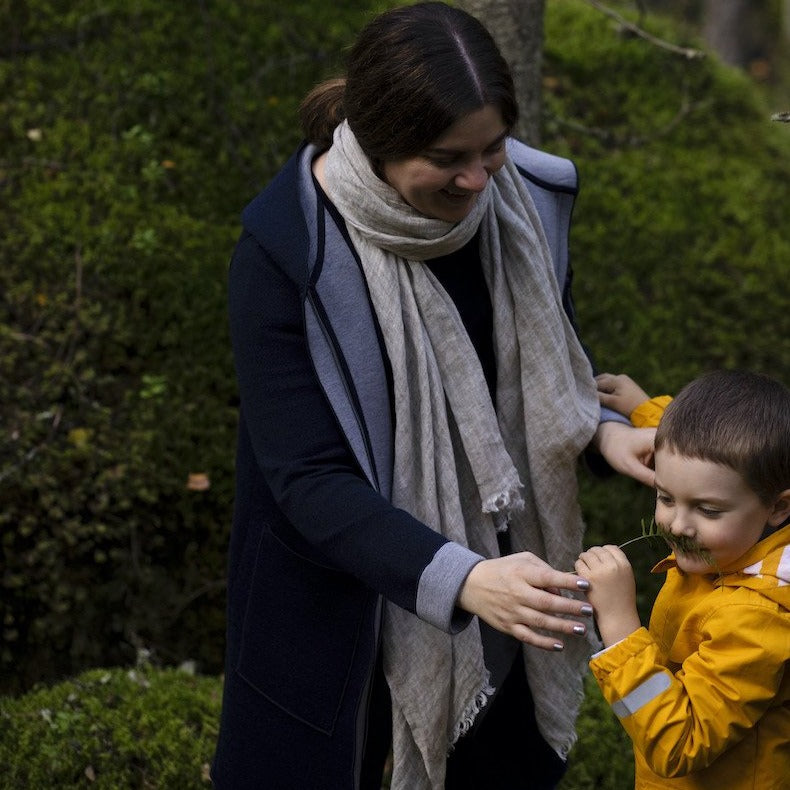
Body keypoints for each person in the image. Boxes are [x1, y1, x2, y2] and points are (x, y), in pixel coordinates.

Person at [212, 4, 656, 788]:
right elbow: (308, 479)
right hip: (338, 614)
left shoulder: (528, 199)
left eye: (493, 150)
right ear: (379, 141)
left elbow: (543, 368)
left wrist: (607, 432)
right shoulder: (287, 253)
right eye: (448, 158)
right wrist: (466, 580)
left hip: (509, 597)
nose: (478, 180)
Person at [576, 369, 790, 789]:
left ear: (778, 508)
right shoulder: (734, 519)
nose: (677, 525)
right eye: (665, 497)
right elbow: (703, 449)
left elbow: (680, 744)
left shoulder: (754, 620)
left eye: (708, 511)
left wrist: (621, 628)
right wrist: (648, 412)